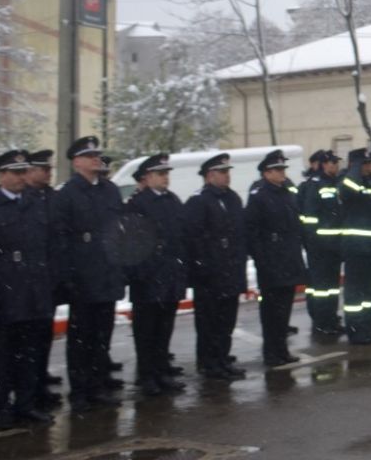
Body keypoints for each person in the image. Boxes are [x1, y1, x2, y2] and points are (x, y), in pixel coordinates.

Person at [0, 150, 56, 431]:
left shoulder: (35, 203)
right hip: (5, 295)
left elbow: (47, 248)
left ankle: (26, 403)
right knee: (5, 357)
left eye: (24, 172)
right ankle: (3, 408)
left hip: (35, 292)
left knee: (31, 354)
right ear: (1, 175)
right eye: (16, 172)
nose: (22, 177)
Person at [51, 136, 126, 412]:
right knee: (81, 339)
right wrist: (68, 277)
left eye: (97, 155)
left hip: (107, 275)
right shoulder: (67, 194)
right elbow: (60, 240)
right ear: (77, 162)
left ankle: (97, 386)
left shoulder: (110, 190)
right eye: (89, 156)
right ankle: (80, 391)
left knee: (101, 338)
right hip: (82, 277)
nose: (96, 159)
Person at [125, 155, 188, 396]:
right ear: (148, 177)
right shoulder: (138, 204)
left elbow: (181, 237)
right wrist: (140, 274)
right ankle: (147, 376)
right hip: (148, 278)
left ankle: (162, 372)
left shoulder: (172, 200)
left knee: (164, 329)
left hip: (170, 275)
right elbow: (131, 243)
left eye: (166, 174)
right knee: (146, 331)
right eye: (160, 174)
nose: (165, 178)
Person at [184, 153, 247, 380]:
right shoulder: (199, 201)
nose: (227, 176)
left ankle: (222, 358)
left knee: (226, 322)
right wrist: (204, 267)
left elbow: (240, 234)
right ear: (209, 175)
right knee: (209, 322)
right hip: (210, 274)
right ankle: (209, 363)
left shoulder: (232, 198)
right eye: (222, 172)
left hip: (230, 270)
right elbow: (193, 239)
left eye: (227, 172)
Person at [244, 149, 307, 367]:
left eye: (283, 169)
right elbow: (252, 232)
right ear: (266, 173)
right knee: (271, 312)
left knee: (284, 310)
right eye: (277, 169)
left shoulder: (286, 193)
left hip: (288, 258)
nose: (282, 173)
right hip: (271, 261)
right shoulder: (259, 195)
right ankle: (271, 353)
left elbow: (294, 226)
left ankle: (281, 350)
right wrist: (262, 260)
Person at [22, 150, 62, 412]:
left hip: (48, 277)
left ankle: (40, 382)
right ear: (30, 172)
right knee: (28, 341)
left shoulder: (52, 197)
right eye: (43, 169)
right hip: (27, 281)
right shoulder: (24, 198)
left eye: (49, 169)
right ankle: (29, 390)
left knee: (44, 336)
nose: (48, 173)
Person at [339, 149, 371, 345]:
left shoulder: (370, 184)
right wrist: (356, 168)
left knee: (367, 293)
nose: (370, 166)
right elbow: (348, 189)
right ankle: (355, 329)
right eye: (365, 163)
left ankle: (365, 327)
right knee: (354, 293)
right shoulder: (348, 182)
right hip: (357, 248)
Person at [298, 151, 344, 339]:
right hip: (320, 248)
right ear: (324, 164)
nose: (335, 166)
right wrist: (314, 243)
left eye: (336, 162)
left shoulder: (335, 184)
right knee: (321, 289)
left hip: (335, 246)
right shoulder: (314, 185)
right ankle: (321, 322)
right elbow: (309, 218)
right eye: (332, 162)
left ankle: (331, 320)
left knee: (332, 287)